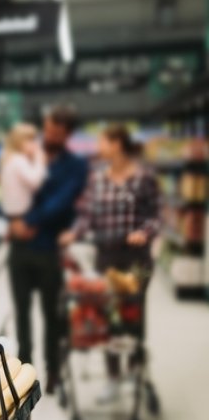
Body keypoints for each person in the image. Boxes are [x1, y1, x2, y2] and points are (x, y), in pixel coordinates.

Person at [60, 124, 160, 402]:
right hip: (107, 257)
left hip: (136, 259)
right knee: (108, 317)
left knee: (133, 315)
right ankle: (115, 378)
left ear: (117, 144)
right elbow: (87, 217)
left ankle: (135, 370)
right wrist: (73, 234)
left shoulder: (143, 177)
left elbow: (155, 216)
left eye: (102, 142)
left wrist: (145, 232)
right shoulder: (98, 179)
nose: (98, 147)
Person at [7, 104, 88, 393]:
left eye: (56, 131)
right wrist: (12, 220)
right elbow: (13, 188)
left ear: (66, 134)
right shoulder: (28, 155)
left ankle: (54, 370)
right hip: (19, 249)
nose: (49, 135)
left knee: (52, 314)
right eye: (48, 128)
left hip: (48, 249)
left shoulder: (76, 166)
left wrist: (28, 221)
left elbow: (62, 202)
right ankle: (24, 371)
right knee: (22, 313)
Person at [0, 122, 46, 219]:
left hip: (12, 212)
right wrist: (39, 159)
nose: (36, 144)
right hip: (21, 214)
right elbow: (35, 181)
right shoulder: (19, 160)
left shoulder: (10, 159)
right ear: (19, 142)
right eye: (31, 140)